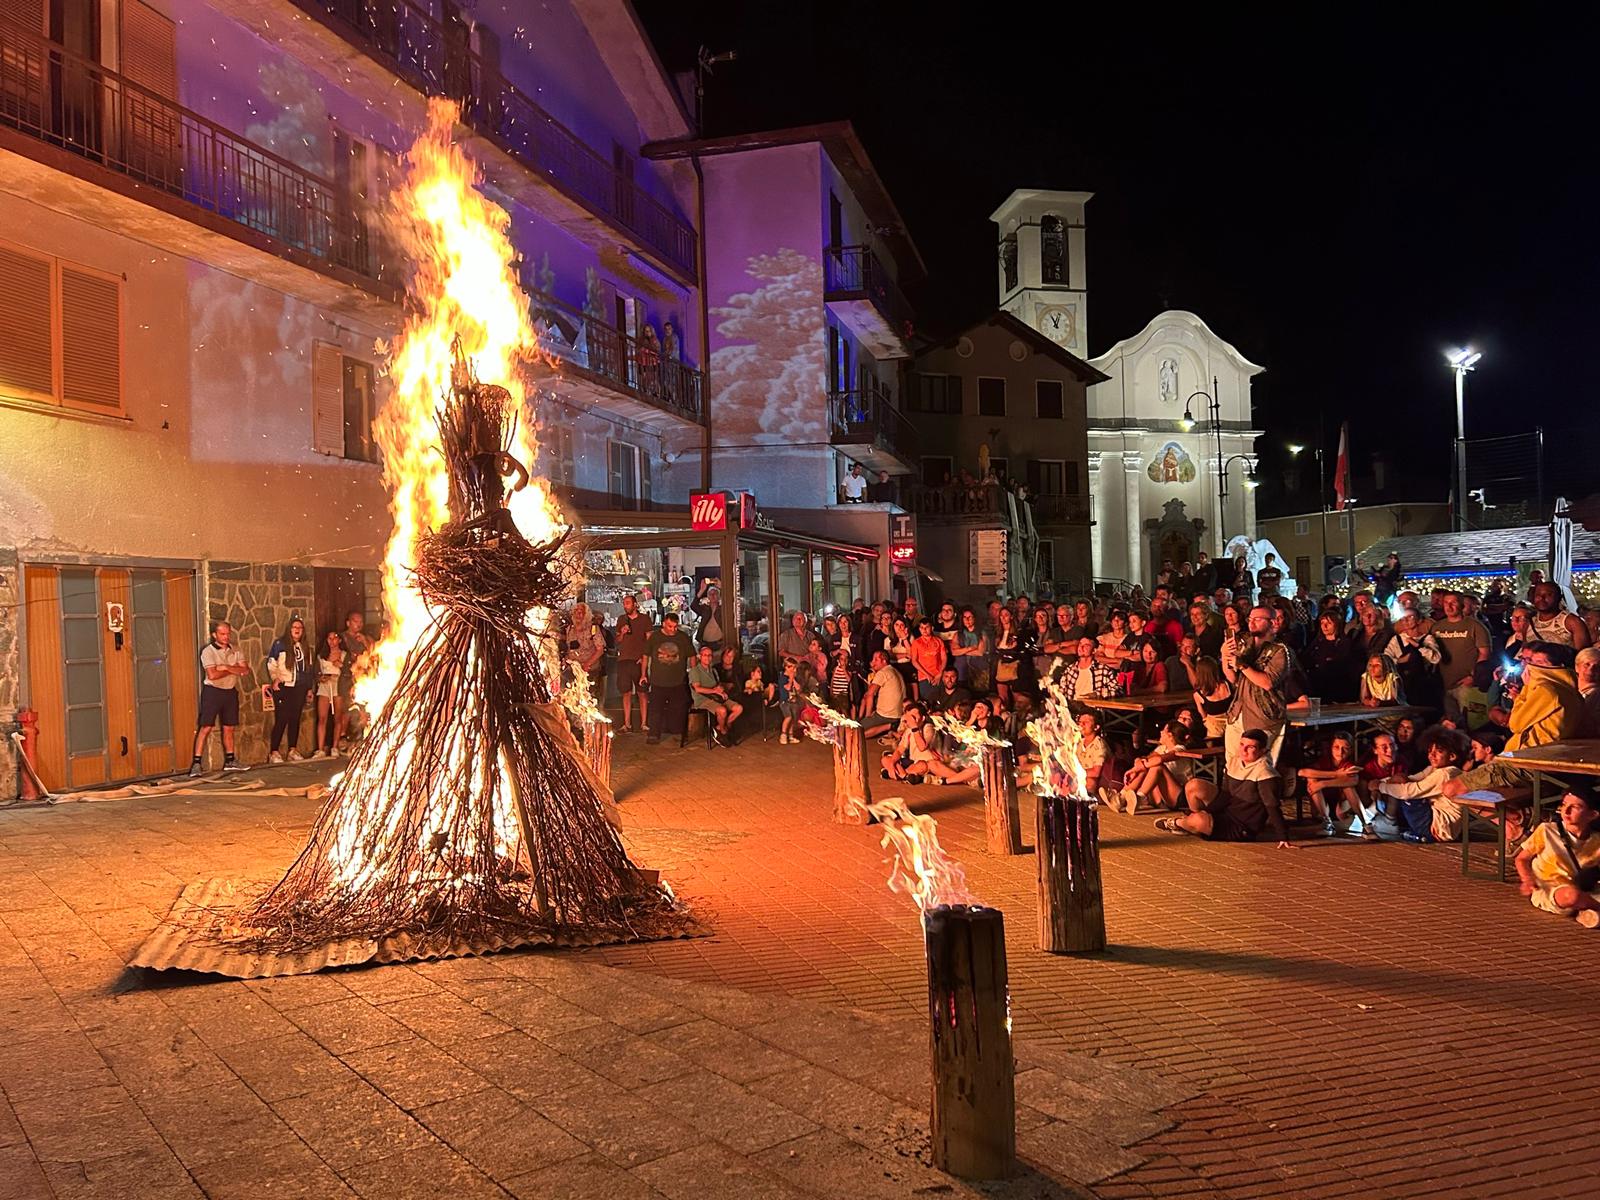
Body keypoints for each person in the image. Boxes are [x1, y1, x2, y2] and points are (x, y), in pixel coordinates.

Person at [1157, 728, 1294, 847]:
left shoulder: (1265, 774)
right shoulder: (1235, 762)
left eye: (1250, 747)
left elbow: (1272, 806)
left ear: (1262, 751)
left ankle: (1180, 824)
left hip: (1242, 826)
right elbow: (1225, 795)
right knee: (1194, 785)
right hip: (1227, 812)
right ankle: (1194, 823)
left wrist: (1283, 837)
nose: (1244, 750)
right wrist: (1208, 811)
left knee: (1198, 820)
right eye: (1242, 744)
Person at [1514, 788, 1600, 928]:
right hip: (1552, 890)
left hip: (1587, 891)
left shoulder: (1596, 840)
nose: (1566, 811)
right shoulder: (1547, 830)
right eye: (1565, 805)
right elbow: (1521, 859)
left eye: (1575, 807)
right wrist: (1527, 880)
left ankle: (1586, 913)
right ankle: (1590, 908)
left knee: (1579, 896)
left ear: (1592, 815)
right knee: (1572, 896)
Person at [1222, 606, 1291, 768]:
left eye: (1258, 619)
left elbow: (1267, 683)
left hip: (1263, 715)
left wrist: (1242, 665)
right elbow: (1232, 677)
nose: (1251, 623)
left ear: (1273, 623)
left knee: (1259, 766)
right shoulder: (1245, 646)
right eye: (1250, 619)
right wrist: (1226, 656)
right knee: (1232, 763)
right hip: (1238, 711)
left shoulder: (1279, 651)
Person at [1374, 726, 1468, 843]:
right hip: (1439, 823)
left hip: (1438, 829)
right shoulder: (1435, 769)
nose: (1431, 755)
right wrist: (1384, 781)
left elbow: (1409, 791)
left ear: (1452, 756)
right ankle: (1398, 825)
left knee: (1407, 795)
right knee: (1402, 783)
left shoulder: (1445, 773)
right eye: (1430, 751)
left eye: (1438, 752)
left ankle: (1390, 823)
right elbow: (1412, 779)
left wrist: (1379, 786)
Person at [190, 621, 250, 775]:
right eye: (222, 634)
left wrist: (226, 667)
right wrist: (233, 670)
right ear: (214, 635)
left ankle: (230, 761)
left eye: (228, 633)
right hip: (213, 692)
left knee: (229, 727)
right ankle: (196, 763)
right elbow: (213, 675)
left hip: (230, 692)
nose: (226, 637)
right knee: (206, 727)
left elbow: (245, 670)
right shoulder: (208, 652)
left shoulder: (235, 650)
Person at [1431, 591, 1492, 721]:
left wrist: (1473, 676)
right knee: (1452, 723)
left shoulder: (1475, 626)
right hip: (1445, 684)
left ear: (1461, 605)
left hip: (1468, 684)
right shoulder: (1437, 627)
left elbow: (1484, 653)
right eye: (1446, 603)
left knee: (1474, 721)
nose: (1449, 606)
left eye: (1453, 602)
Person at [1113, 719, 1194, 813]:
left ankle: (1139, 798)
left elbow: (1159, 760)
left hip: (1178, 795)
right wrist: (1137, 765)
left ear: (1170, 735)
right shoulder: (1162, 748)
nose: (1161, 732)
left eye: (1164, 730)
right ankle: (1121, 797)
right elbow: (1145, 758)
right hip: (1161, 795)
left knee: (1158, 767)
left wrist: (1138, 767)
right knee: (1145, 768)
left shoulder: (1180, 748)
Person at [264, 615, 314, 763]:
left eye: (300, 628)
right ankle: (274, 751)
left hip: (299, 686)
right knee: (282, 718)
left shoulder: (306, 648)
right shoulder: (280, 644)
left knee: (295, 718)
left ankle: (293, 749)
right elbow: (271, 663)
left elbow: (308, 669)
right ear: (289, 629)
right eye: (294, 627)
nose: (297, 630)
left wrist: (309, 688)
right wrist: (275, 679)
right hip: (284, 686)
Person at [643, 612, 695, 745]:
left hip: (677, 680)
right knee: (655, 709)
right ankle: (654, 734)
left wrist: (693, 673)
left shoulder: (682, 637)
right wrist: (643, 674)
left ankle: (677, 732)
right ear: (664, 624)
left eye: (675, 626)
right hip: (658, 680)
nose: (673, 630)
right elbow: (646, 655)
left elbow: (692, 655)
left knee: (678, 708)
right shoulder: (655, 637)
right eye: (670, 626)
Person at [1300, 732, 1362, 836]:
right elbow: (1302, 772)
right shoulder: (1325, 762)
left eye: (1345, 748)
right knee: (1312, 779)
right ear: (1331, 748)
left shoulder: (1348, 765)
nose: (1340, 752)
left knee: (1348, 786)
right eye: (1336, 747)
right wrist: (1336, 774)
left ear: (1350, 750)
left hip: (1341, 809)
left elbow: (1353, 780)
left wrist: (1324, 783)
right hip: (1323, 806)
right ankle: (1326, 822)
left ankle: (1366, 825)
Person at [613, 593, 653, 734]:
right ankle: (627, 723)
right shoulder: (621, 620)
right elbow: (617, 640)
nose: (626, 606)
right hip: (624, 659)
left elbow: (649, 640)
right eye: (624, 603)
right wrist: (622, 633)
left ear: (635, 604)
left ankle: (644, 723)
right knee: (626, 692)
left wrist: (645, 657)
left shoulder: (644, 619)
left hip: (639, 659)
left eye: (628, 603)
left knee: (642, 692)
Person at [1385, 611, 1442, 710]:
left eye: (1410, 617)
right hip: (1402, 684)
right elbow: (1386, 658)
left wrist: (1418, 646)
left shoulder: (1427, 638)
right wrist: (1400, 660)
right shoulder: (1396, 639)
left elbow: (1436, 658)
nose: (1406, 621)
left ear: (1419, 620)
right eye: (1403, 618)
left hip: (1423, 685)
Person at [688, 644, 743, 746]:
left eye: (709, 655)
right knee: (722, 710)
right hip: (703, 699)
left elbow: (718, 684)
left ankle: (720, 728)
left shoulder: (713, 670)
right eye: (705, 655)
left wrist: (721, 690)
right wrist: (714, 691)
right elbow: (697, 688)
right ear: (700, 656)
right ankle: (723, 732)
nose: (707, 657)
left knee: (738, 708)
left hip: (716, 697)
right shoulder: (695, 671)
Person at [336, 609, 372, 750]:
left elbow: (374, 652)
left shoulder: (364, 638)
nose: (359, 624)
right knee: (346, 708)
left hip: (362, 678)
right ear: (348, 623)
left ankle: (362, 735)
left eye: (361, 621)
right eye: (355, 621)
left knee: (363, 707)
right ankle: (343, 737)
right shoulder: (342, 638)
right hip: (346, 677)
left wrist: (365, 641)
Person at [859, 649, 906, 740]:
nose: (872, 662)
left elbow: (869, 694)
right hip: (898, 714)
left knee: (856, 731)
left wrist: (868, 716)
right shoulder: (895, 671)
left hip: (887, 715)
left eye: (876, 660)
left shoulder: (883, 673)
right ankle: (889, 728)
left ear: (884, 661)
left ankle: (889, 726)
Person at [1529, 581, 1591, 650]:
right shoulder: (1529, 620)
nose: (1541, 598)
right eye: (1538, 595)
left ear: (1559, 597)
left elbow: (1584, 655)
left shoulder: (1572, 622)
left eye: (1548, 594)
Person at [564, 601, 607, 697]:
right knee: (572, 696)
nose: (578, 615)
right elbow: (569, 648)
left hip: (590, 670)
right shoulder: (569, 629)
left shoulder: (593, 628)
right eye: (576, 612)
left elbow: (600, 650)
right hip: (573, 669)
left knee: (588, 697)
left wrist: (587, 664)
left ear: (586, 614)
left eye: (581, 612)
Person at [1061, 636, 1120, 702]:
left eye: (1086, 645)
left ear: (1094, 650)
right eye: (1080, 644)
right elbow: (1062, 691)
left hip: (1094, 708)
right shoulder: (1070, 669)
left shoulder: (1103, 669)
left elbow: (1117, 690)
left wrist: (1097, 694)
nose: (1081, 647)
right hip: (1073, 707)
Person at [314, 631, 344, 758]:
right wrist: (320, 678)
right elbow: (316, 672)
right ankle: (320, 749)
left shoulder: (344, 655)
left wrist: (341, 666)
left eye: (335, 638)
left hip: (338, 684)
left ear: (340, 640)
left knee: (337, 717)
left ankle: (335, 747)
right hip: (325, 686)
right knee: (322, 718)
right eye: (329, 638)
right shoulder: (322, 656)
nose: (332, 641)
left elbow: (351, 671)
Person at [951, 606, 990, 692]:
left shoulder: (981, 633)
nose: (967, 619)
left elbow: (980, 652)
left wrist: (961, 651)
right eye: (965, 617)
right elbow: (954, 652)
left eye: (970, 617)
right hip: (961, 671)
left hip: (979, 671)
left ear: (974, 618)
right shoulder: (958, 634)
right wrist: (971, 648)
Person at [690, 578, 726, 651]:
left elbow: (732, 602)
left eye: (715, 593)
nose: (713, 595)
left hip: (719, 643)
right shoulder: (705, 609)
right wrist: (702, 590)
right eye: (710, 594)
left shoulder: (723, 609)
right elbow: (693, 606)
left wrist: (722, 587)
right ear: (708, 596)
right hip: (705, 643)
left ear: (719, 596)